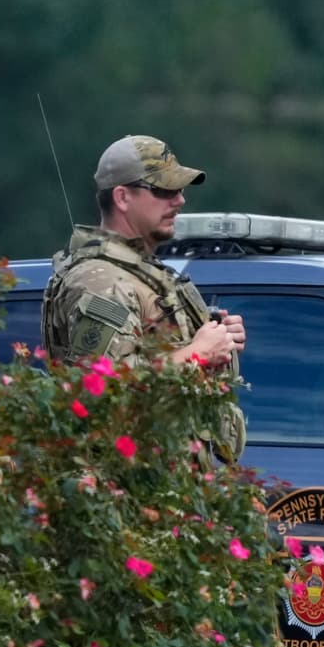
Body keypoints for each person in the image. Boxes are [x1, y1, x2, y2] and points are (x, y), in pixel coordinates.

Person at [41, 134, 246, 461]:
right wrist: (198, 353)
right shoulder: (102, 282)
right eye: (164, 191)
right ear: (122, 197)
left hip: (165, 483)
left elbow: (218, 439)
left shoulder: (148, 277)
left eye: (180, 190)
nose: (179, 201)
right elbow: (103, 397)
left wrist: (219, 346)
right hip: (124, 485)